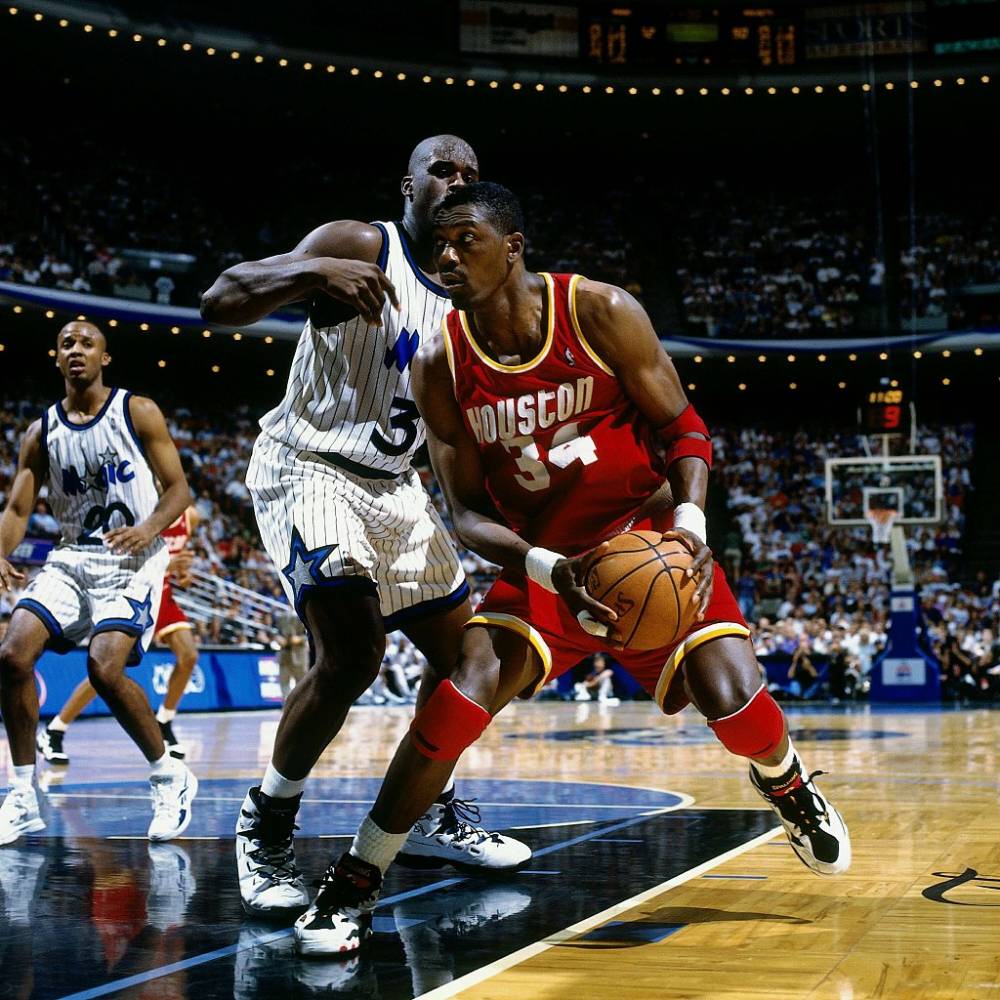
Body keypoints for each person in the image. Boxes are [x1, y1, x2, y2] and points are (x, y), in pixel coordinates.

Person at [286, 182, 851, 959]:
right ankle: (355, 880)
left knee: (734, 701)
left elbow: (684, 430)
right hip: (548, 565)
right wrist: (546, 566)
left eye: (466, 241)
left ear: (513, 246)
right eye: (439, 245)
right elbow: (467, 513)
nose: (447, 257)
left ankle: (787, 784)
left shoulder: (598, 311)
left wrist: (690, 525)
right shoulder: (440, 362)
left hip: (648, 541)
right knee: (458, 697)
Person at [199, 135, 529, 918]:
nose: (457, 181)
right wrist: (312, 272)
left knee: (473, 661)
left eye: (470, 174)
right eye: (442, 169)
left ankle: (431, 810)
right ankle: (265, 823)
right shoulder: (357, 243)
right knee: (352, 654)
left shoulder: (474, 296)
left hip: (396, 486)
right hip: (310, 465)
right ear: (408, 186)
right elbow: (218, 300)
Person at [0, 321, 198, 844]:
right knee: (12, 656)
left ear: (104, 358)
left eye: (87, 343)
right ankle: (22, 795)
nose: (76, 350)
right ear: (56, 358)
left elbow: (179, 489)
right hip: (71, 557)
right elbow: (18, 509)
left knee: (104, 668)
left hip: (132, 560)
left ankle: (168, 776)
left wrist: (148, 529)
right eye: (67, 343)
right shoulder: (41, 431)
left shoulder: (138, 411)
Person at [36, 506, 202, 764]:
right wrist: (168, 564)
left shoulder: (189, 516)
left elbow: (176, 564)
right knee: (108, 670)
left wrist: (183, 574)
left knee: (189, 655)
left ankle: (164, 721)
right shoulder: (141, 503)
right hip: (132, 587)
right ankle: (54, 729)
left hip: (162, 593)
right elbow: (120, 554)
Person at [274, 606, 308, 700]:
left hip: (299, 655)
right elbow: (275, 632)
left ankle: (301, 704)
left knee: (301, 683)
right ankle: (287, 704)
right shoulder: (281, 616)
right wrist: (278, 639)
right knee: (284, 683)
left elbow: (309, 633)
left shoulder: (304, 614)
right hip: (284, 655)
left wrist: (299, 639)